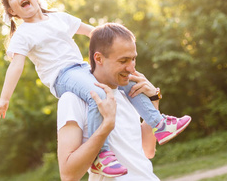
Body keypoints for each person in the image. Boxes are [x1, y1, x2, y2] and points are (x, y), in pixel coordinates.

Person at [0, 0, 190, 177]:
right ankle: (101, 155)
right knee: (97, 95)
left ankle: (160, 124)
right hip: (63, 76)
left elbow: (94, 33)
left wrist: (117, 43)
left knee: (130, 83)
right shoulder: (23, 34)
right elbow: (16, 66)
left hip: (83, 69)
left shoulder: (59, 18)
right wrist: (4, 99)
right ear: (12, 11)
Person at [58, 23, 181, 180]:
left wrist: (153, 101)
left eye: (133, 59)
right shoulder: (73, 99)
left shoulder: (129, 94)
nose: (131, 68)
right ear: (99, 58)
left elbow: (147, 150)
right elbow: (68, 175)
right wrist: (106, 125)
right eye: (123, 61)